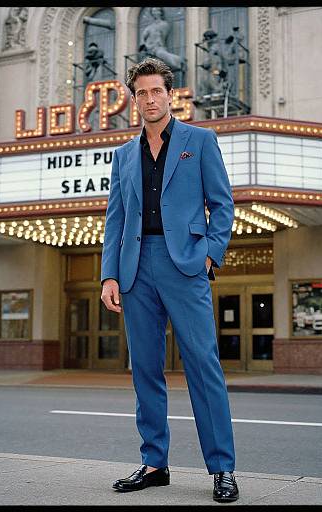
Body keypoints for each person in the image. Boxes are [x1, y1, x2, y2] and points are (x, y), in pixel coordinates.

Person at [100, 57, 238, 503]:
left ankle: (222, 469)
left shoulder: (200, 141)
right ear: (133, 99)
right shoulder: (123, 155)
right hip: (136, 270)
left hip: (186, 266)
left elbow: (222, 204)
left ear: (170, 93)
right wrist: (109, 276)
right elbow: (115, 221)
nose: (150, 99)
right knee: (145, 370)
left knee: (203, 366)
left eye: (156, 90)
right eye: (141, 93)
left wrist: (210, 256)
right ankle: (155, 463)